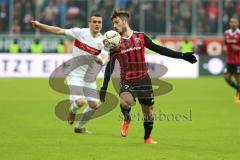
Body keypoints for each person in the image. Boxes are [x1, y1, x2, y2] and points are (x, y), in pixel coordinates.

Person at [100, 10, 197, 144]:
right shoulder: (115, 43)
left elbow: (160, 49)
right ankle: (127, 118)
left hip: (144, 80)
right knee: (125, 101)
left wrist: (182, 55)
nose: (114, 26)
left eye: (116, 22)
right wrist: (104, 87)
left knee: (148, 112)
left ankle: (147, 138)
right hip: (127, 80)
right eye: (113, 23)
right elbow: (109, 66)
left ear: (124, 21)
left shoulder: (140, 37)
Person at [31, 12, 109, 133]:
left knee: (95, 105)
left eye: (99, 22)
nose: (97, 24)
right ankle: (72, 110)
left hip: (89, 77)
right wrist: (40, 25)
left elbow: (105, 56)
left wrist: (102, 61)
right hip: (75, 74)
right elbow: (59, 31)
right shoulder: (80, 32)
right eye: (94, 22)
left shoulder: (103, 40)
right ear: (89, 23)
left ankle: (80, 127)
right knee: (80, 102)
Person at [223, 17, 240, 103]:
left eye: (235, 22)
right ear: (230, 23)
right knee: (227, 78)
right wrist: (225, 47)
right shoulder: (226, 33)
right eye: (231, 22)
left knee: (238, 79)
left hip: (238, 61)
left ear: (238, 24)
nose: (233, 23)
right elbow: (225, 43)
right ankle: (238, 89)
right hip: (229, 60)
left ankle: (238, 97)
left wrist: (238, 48)